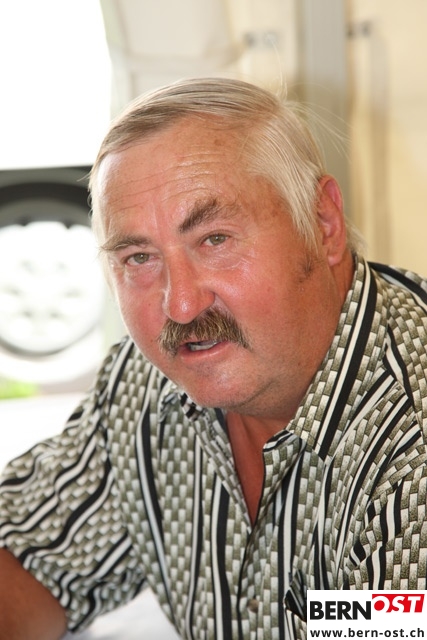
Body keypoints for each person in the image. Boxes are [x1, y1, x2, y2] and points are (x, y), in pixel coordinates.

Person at [1, 77, 427, 640]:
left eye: (215, 239)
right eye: (139, 258)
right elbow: (29, 560)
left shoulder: (411, 448)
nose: (180, 305)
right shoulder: (147, 381)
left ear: (323, 224)